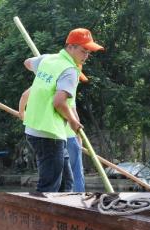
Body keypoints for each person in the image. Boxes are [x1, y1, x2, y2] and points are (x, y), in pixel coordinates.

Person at [20, 28, 104, 193]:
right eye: (83, 51)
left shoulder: (48, 59)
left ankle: (65, 213)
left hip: (37, 130)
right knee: (49, 186)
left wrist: (43, 74)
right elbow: (58, 102)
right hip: (48, 133)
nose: (86, 56)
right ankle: (42, 216)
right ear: (71, 47)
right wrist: (73, 122)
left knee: (66, 182)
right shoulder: (70, 70)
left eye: (88, 52)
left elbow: (27, 62)